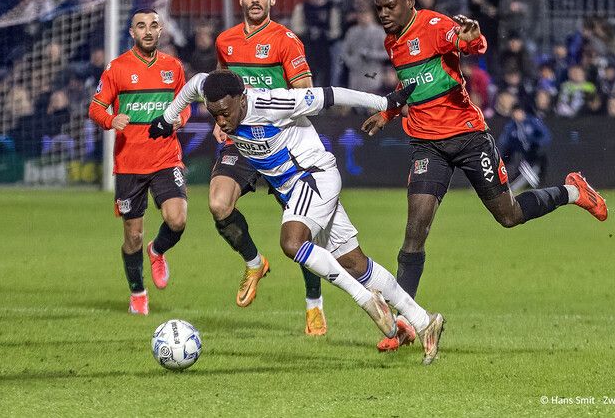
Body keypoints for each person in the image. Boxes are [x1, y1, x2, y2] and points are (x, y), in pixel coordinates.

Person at [362, 0, 609, 352]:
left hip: (467, 137)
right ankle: (406, 321)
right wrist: (389, 113)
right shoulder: (393, 40)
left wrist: (472, 37)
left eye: (389, 6)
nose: (383, 13)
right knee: (415, 230)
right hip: (428, 145)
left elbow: (467, 45)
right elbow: (410, 83)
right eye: (378, 7)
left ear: (410, 1)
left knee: (508, 215)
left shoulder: (435, 25)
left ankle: (572, 192)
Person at [149, 69, 446, 365]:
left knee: (291, 242)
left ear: (242, 99)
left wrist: (384, 104)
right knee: (355, 263)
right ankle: (424, 321)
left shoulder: (273, 104)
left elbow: (330, 94)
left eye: (225, 113)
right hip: (295, 189)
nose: (221, 122)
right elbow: (192, 85)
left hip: (314, 176)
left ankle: (366, 300)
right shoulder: (212, 90)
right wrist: (166, 117)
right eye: (214, 115)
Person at [212, 0, 328, 336]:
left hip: (283, 145)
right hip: (242, 142)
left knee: (301, 232)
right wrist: (220, 116)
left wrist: (269, 109)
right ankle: (254, 262)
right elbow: (219, 87)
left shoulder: (286, 40)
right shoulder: (226, 42)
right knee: (218, 204)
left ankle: (314, 306)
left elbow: (306, 94)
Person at [88, 8, 190, 316]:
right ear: (132, 33)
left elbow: (184, 106)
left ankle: (157, 250)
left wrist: (179, 120)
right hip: (130, 164)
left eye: (154, 25)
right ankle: (138, 293)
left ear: (161, 31)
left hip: (165, 158)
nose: (148, 31)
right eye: (141, 26)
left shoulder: (173, 67)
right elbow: (95, 108)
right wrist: (110, 119)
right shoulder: (117, 68)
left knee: (178, 219)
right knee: (132, 235)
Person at [497, 104, 551, 192]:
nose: (517, 115)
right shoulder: (511, 126)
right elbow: (504, 141)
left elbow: (545, 135)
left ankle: (535, 185)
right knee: (516, 166)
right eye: (515, 112)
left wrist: (538, 144)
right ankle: (509, 187)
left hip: (535, 154)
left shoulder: (532, 122)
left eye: (519, 112)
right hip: (522, 156)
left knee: (535, 170)